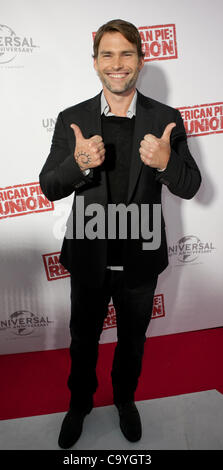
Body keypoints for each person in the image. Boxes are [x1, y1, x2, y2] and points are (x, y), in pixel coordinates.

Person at [39, 19, 201, 449]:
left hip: (141, 260)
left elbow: (191, 185)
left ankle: (125, 400)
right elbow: (49, 186)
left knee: (132, 342)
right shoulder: (72, 119)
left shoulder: (165, 119)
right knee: (82, 341)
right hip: (89, 258)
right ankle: (79, 405)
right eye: (107, 54)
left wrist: (166, 162)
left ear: (141, 62)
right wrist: (78, 164)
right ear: (95, 63)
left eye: (126, 54)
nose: (117, 64)